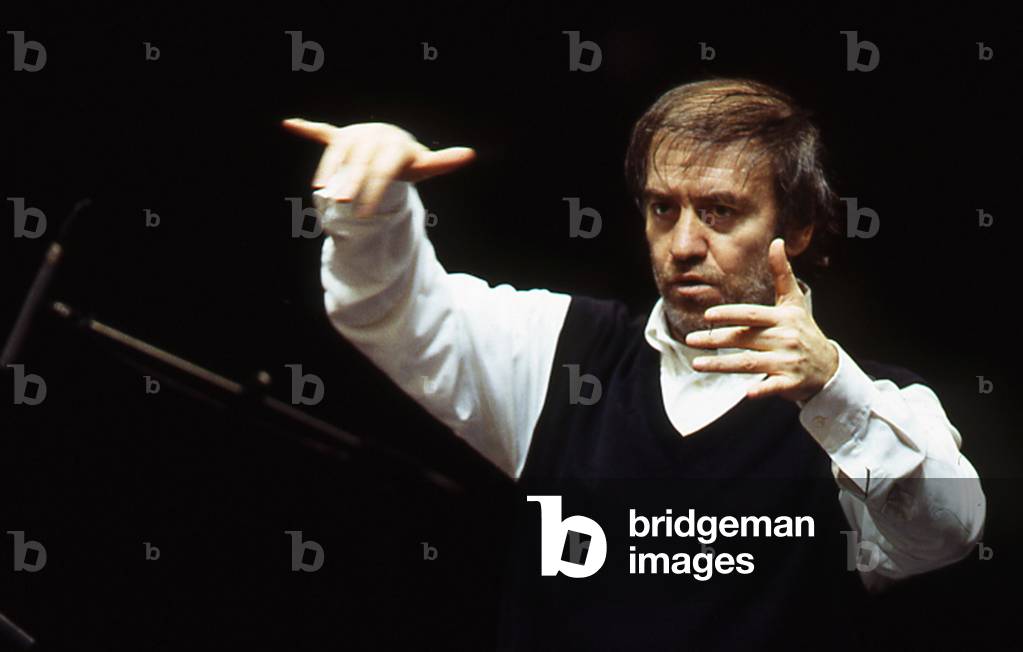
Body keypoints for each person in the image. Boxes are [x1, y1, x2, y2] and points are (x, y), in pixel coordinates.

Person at [282, 77, 986, 651]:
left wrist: (831, 389)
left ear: (795, 229)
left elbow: (945, 530)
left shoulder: (876, 406)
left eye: (718, 211)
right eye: (661, 208)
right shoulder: (564, 352)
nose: (682, 244)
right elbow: (396, 310)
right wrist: (371, 209)